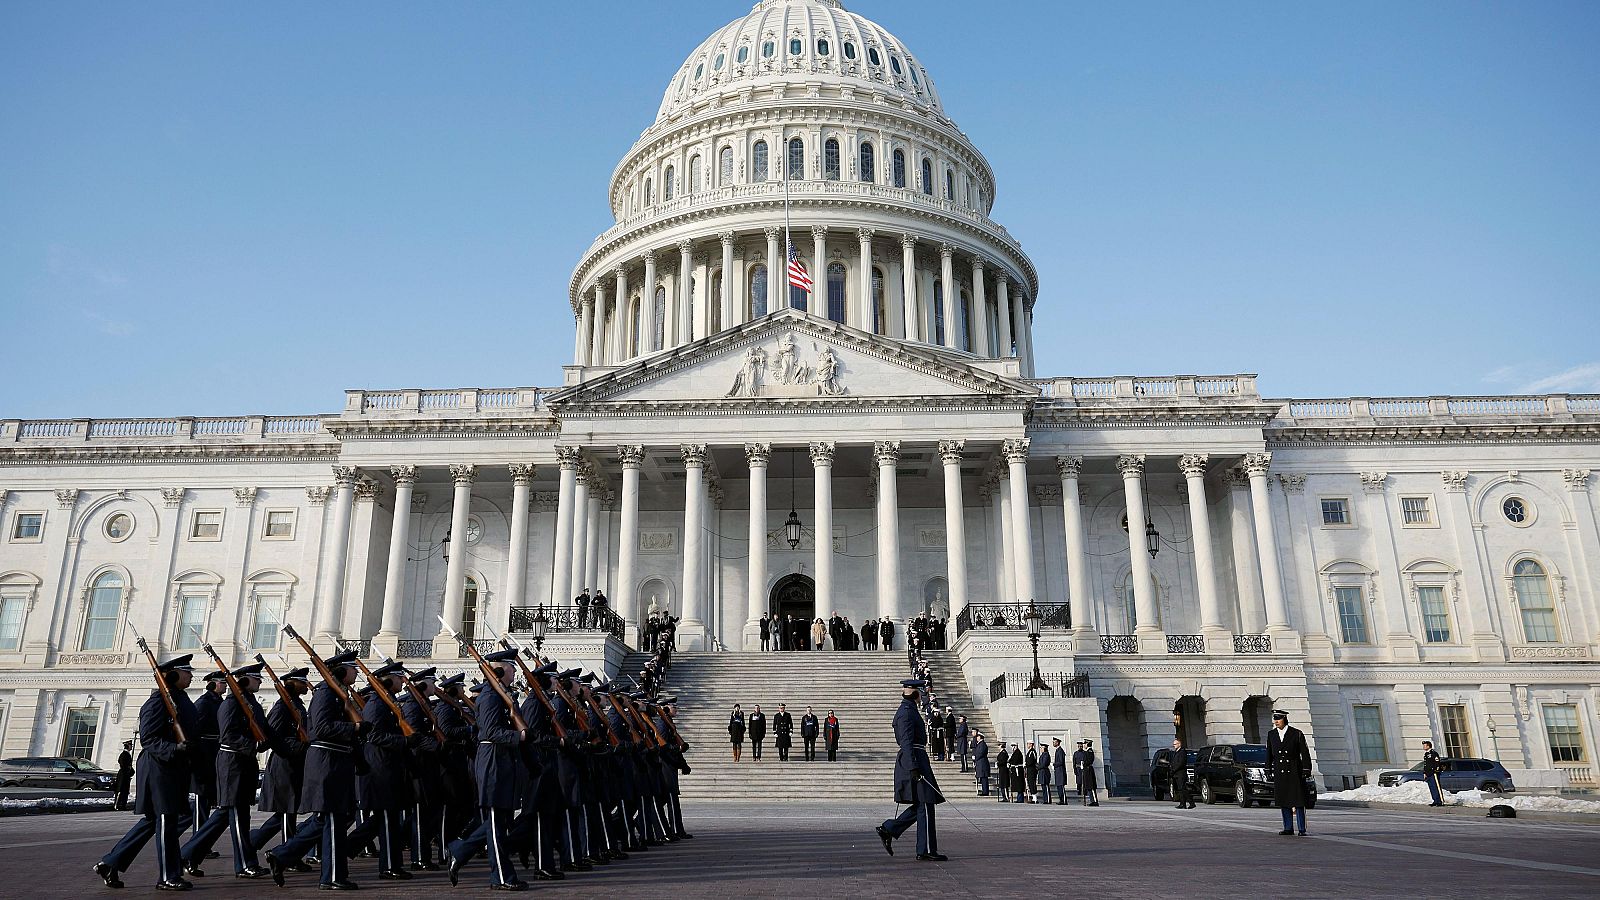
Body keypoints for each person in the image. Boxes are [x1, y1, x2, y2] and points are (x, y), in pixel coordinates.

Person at [95, 654, 199, 891]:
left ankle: (111, 862)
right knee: (167, 823)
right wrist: (175, 748)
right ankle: (168, 876)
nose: (192, 675)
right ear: (173, 675)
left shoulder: (180, 700)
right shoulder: (157, 702)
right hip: (160, 770)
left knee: (154, 821)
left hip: (175, 770)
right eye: (187, 671)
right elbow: (149, 739)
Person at [265, 650, 366, 890]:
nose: (357, 672)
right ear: (342, 670)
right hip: (327, 765)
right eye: (353, 668)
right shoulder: (326, 693)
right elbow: (320, 727)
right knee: (332, 821)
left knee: (328, 820)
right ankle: (331, 877)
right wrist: (354, 728)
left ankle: (281, 855)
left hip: (336, 763)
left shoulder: (337, 693)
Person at [874, 678, 945, 861]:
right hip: (913, 759)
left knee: (923, 804)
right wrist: (914, 766)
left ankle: (890, 829)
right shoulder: (906, 712)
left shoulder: (909, 709)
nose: (922, 696)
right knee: (926, 803)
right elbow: (906, 741)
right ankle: (927, 849)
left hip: (916, 757)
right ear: (915, 693)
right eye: (920, 692)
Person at [1267, 710, 1313, 835]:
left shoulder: (1296, 733)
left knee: (1298, 801)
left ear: (1285, 719)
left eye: (1278, 718)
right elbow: (1269, 754)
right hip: (1280, 771)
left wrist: (1306, 768)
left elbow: (1304, 753)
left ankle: (1302, 828)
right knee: (1284, 800)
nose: (1276, 721)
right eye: (1275, 719)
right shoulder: (1271, 734)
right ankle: (1288, 827)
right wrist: (1268, 769)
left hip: (1294, 770)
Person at [1170, 739, 1194, 809]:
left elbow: (1181, 763)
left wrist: (1174, 769)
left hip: (1181, 773)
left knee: (1183, 789)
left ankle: (1190, 803)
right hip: (1176, 773)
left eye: (1175, 744)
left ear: (1179, 744)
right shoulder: (1176, 752)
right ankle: (1183, 803)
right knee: (1180, 789)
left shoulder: (1182, 752)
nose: (1174, 746)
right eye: (1173, 744)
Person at [1422, 740, 1444, 806]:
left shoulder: (1433, 753)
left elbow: (1437, 762)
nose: (1423, 747)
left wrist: (1436, 770)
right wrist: (1425, 773)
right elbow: (1426, 765)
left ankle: (1440, 801)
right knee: (1432, 787)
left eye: (1424, 745)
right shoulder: (1426, 754)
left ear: (1428, 746)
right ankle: (1435, 800)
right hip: (1428, 773)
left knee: (1436, 787)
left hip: (1433, 773)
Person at [113, 741, 134, 811]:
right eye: (130, 745)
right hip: (123, 775)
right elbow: (122, 763)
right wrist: (127, 770)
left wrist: (131, 771)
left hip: (126, 775)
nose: (131, 747)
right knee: (121, 790)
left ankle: (123, 804)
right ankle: (118, 804)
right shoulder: (124, 754)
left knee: (125, 790)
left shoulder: (127, 754)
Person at [1078, 739, 1100, 806]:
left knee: (1091, 786)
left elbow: (1089, 761)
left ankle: (1095, 801)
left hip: (1089, 770)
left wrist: (1083, 763)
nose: (1084, 745)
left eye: (1085, 744)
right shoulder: (1086, 752)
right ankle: (1091, 800)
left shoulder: (1090, 751)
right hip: (1086, 770)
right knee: (1088, 786)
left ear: (1087, 744)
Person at [1051, 738, 1069, 805]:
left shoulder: (1060, 751)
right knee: (1059, 786)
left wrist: (1054, 764)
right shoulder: (1057, 750)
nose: (1053, 743)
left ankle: (1064, 800)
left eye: (1054, 742)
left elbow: (1061, 762)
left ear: (1058, 742)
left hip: (1061, 771)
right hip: (1058, 771)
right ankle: (1061, 800)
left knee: (1061, 786)